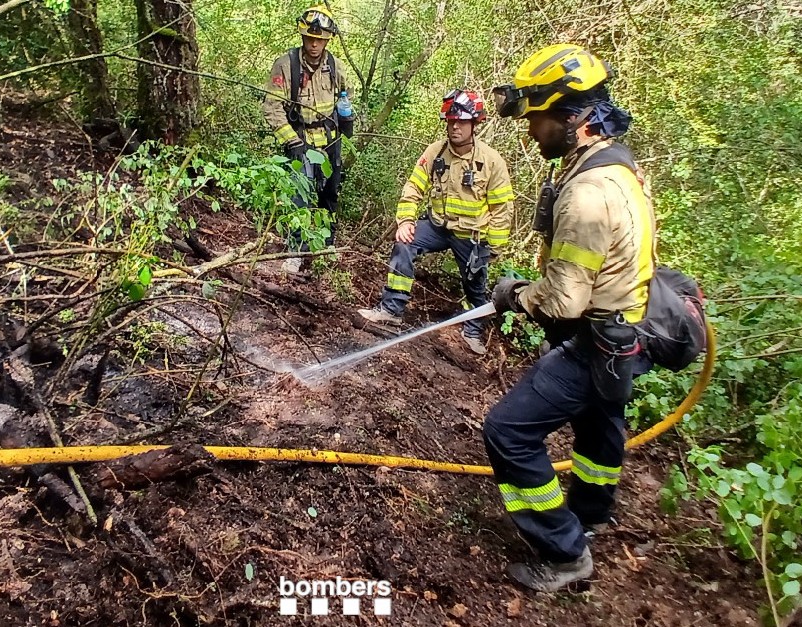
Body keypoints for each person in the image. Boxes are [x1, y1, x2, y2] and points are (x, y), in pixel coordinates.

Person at [484, 43, 656, 592]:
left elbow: (562, 301)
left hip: (594, 339)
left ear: (574, 116)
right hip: (627, 331)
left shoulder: (586, 192)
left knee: (508, 433)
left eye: (537, 118)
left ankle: (564, 552)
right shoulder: (618, 166)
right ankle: (593, 512)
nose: (531, 130)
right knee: (599, 426)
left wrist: (516, 294)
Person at [356, 89, 514, 355]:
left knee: (475, 283)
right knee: (404, 244)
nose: (455, 127)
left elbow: (502, 208)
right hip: (438, 226)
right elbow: (413, 187)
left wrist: (493, 247)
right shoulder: (435, 152)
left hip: (471, 234)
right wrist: (405, 221)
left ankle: (473, 330)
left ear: (474, 124)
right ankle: (392, 308)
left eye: (462, 122)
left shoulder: (491, 161)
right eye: (451, 121)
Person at [261, 4, 355, 273]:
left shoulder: (335, 66)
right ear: (303, 37)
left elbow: (344, 99)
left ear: (327, 40)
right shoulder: (286, 64)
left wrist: (347, 123)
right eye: (310, 38)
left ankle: (326, 247)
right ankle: (295, 251)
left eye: (320, 39)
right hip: (299, 138)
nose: (314, 44)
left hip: (330, 140)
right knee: (299, 198)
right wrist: (292, 141)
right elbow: (272, 107)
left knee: (330, 195)